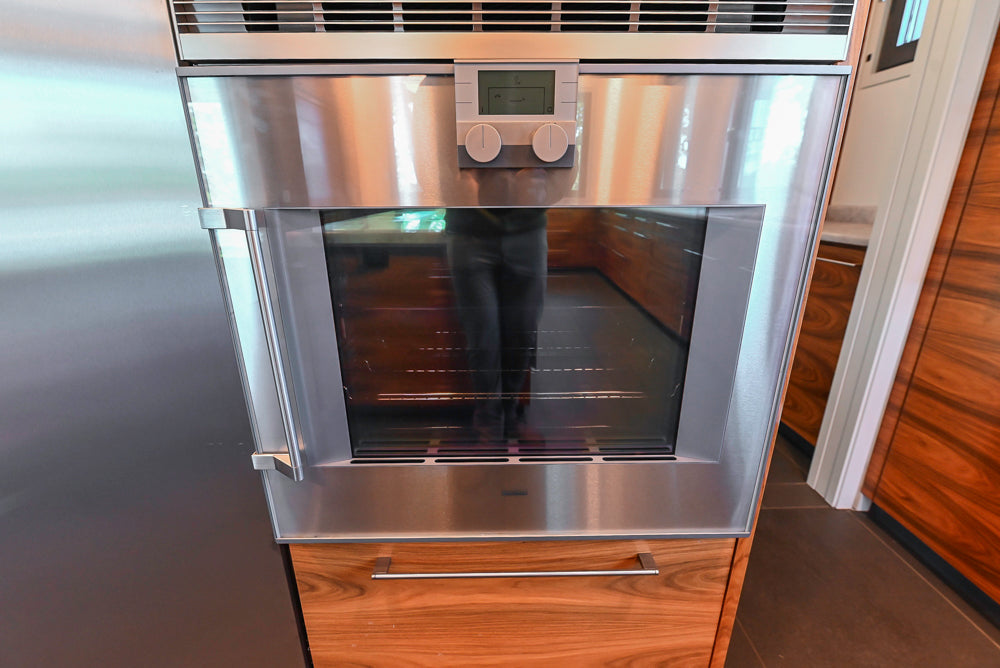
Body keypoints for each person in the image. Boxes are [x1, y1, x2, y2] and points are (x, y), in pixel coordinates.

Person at [445, 207, 548, 441]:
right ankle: (488, 424)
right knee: (483, 340)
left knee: (522, 334)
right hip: (468, 231)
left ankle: (511, 418)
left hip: (528, 230)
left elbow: (564, 176)